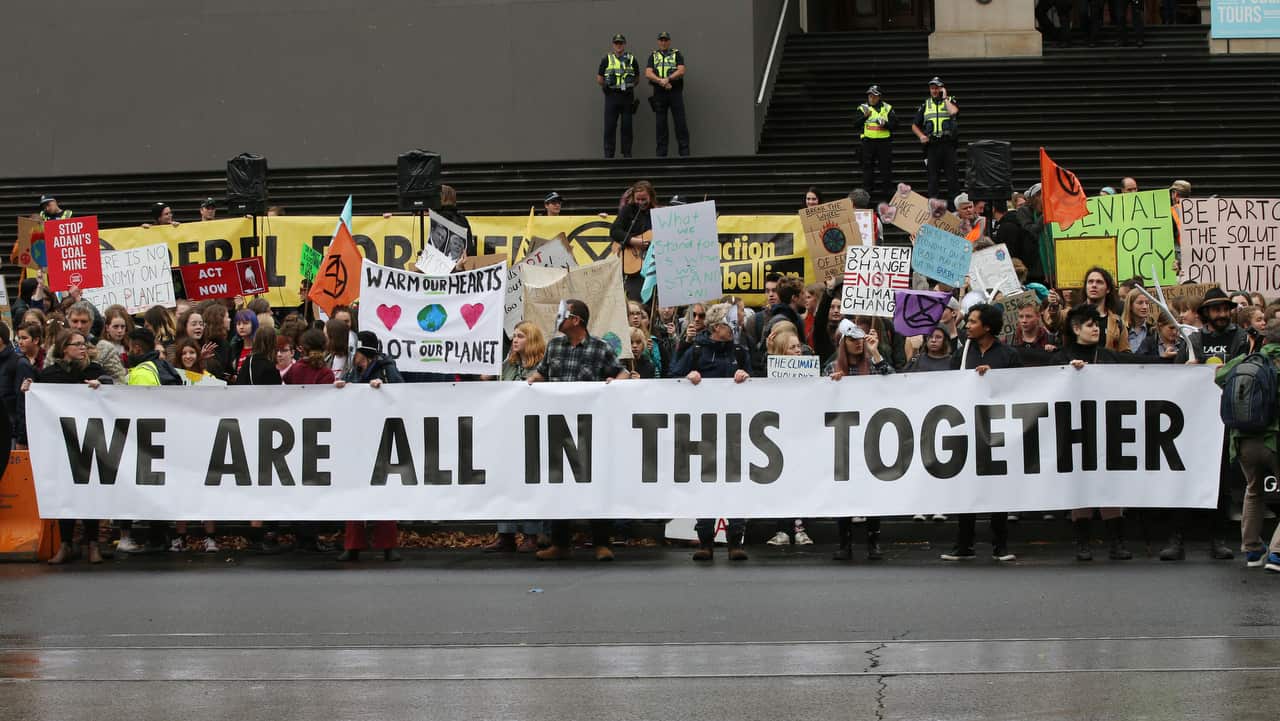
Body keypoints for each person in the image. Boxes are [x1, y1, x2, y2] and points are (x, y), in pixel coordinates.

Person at [528, 299, 630, 561]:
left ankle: (602, 542)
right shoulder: (554, 346)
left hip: (590, 429)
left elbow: (622, 373)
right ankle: (560, 543)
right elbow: (541, 374)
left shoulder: (600, 348)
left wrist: (615, 383)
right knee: (559, 485)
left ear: (576, 320)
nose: (557, 319)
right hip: (558, 428)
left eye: (562, 315)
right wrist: (528, 383)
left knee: (595, 483)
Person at [1054, 304, 1144, 561]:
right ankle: (1082, 543)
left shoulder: (1108, 356)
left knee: (1110, 485)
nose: (1096, 329)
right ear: (1076, 329)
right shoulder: (1062, 357)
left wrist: (1179, 362)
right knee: (1080, 486)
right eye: (1091, 325)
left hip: (1107, 428)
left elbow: (1139, 368)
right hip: (1074, 432)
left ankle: (1116, 542)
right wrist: (1068, 373)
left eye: (1097, 324)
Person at [1165, 287, 1247, 561]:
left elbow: (1239, 367)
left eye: (1225, 309)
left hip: (1225, 420)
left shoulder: (1240, 338)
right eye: (1216, 309)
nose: (1222, 314)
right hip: (1195, 420)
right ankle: (1176, 539)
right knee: (1183, 478)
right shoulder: (1195, 339)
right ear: (1205, 314)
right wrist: (1188, 366)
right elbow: (1178, 375)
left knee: (1220, 482)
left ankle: (1218, 539)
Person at [23, 330, 112, 564]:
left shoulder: (93, 370)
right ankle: (66, 543)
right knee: (66, 492)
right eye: (77, 344)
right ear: (65, 348)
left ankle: (92, 543)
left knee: (89, 492)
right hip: (62, 442)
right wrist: (30, 387)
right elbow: (38, 394)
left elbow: (112, 385)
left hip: (90, 441)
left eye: (85, 344)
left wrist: (101, 384)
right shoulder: (51, 374)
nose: (83, 348)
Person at [669, 304, 750, 561]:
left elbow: (758, 377)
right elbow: (673, 375)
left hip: (734, 427)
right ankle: (705, 539)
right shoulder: (696, 350)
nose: (735, 328)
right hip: (702, 428)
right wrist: (688, 376)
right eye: (730, 323)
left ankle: (735, 540)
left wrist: (746, 375)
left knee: (735, 482)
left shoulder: (740, 350)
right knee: (705, 481)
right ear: (717, 328)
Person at [944, 303, 1021, 562]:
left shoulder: (1008, 355)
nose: (968, 325)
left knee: (997, 488)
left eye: (973, 322)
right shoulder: (962, 354)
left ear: (987, 327)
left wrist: (993, 378)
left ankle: (1000, 545)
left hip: (997, 430)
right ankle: (964, 544)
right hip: (967, 428)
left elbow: (1018, 389)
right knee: (967, 488)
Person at [1215, 320, 1280, 572]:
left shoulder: (1248, 360)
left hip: (1242, 441)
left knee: (1254, 491)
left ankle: (1252, 549)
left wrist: (1251, 351)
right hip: (1274, 439)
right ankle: (1277, 553)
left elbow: (1219, 376)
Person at [825, 320, 892, 561]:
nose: (858, 344)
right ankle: (845, 543)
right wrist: (831, 385)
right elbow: (820, 400)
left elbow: (893, 381)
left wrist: (875, 352)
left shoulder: (872, 366)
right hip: (843, 439)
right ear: (843, 343)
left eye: (860, 339)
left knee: (872, 492)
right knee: (843, 493)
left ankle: (874, 542)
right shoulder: (832, 367)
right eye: (852, 340)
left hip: (870, 436)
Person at [335, 331, 404, 562]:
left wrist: (384, 388)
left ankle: (388, 545)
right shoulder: (353, 372)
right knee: (353, 490)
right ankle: (353, 545)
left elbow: (401, 393)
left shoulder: (387, 368)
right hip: (357, 437)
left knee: (384, 491)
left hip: (382, 436)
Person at [484, 321, 549, 553]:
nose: (515, 340)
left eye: (520, 336)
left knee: (528, 483)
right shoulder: (508, 364)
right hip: (506, 430)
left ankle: (531, 534)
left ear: (531, 340)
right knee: (505, 482)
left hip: (532, 429)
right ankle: (506, 533)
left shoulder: (543, 365)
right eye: (514, 336)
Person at [911, 77, 960, 206]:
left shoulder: (950, 101)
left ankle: (954, 209)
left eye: (937, 88)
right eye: (932, 88)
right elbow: (914, 125)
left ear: (942, 89)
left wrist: (945, 98)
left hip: (948, 144)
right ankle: (934, 208)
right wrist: (921, 136)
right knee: (933, 179)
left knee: (952, 179)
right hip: (932, 146)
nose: (934, 90)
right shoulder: (925, 105)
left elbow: (954, 112)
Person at [610, 180, 658, 302]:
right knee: (636, 299)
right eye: (638, 199)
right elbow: (614, 231)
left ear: (651, 197)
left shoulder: (657, 214)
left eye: (644, 199)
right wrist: (634, 241)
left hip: (653, 265)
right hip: (634, 268)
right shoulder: (628, 210)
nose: (641, 203)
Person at [645, 31, 689, 158]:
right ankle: (661, 156)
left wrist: (668, 79)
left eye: (665, 40)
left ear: (669, 41)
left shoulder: (676, 54)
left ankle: (685, 155)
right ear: (658, 42)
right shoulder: (653, 56)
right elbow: (648, 73)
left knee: (680, 124)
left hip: (675, 92)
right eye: (661, 40)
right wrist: (661, 81)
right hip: (659, 93)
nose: (663, 42)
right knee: (661, 125)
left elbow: (681, 71)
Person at [597, 33, 640, 159]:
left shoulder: (632, 59)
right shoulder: (606, 59)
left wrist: (628, 86)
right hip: (612, 96)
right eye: (616, 43)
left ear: (624, 44)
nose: (619, 45)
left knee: (627, 127)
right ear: (613, 45)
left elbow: (637, 78)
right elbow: (599, 78)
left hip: (627, 97)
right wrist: (607, 86)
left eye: (621, 43)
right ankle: (609, 155)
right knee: (610, 127)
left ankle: (627, 154)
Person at [996, 183, 1048, 283]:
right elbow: (1031, 230)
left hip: (1050, 269)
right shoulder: (1024, 212)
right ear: (1036, 197)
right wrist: (1045, 215)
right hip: (1034, 270)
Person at [858, 85, 896, 203]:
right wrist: (864, 117)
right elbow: (854, 124)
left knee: (886, 169)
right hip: (868, 143)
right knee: (867, 169)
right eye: (870, 96)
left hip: (884, 143)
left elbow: (895, 125)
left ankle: (888, 195)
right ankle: (867, 195)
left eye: (874, 96)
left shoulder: (887, 108)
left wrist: (885, 124)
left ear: (879, 96)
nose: (871, 98)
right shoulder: (863, 108)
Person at [1081, 267, 1128, 352]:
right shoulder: (1073, 316)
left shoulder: (1118, 323)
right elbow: (1055, 320)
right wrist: (1054, 306)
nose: (1094, 285)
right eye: (1090, 281)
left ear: (1108, 289)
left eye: (1099, 282)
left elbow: (1125, 353)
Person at [1121, 287, 1160, 356]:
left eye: (1147, 303)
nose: (1145, 307)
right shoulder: (1120, 328)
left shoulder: (1154, 329)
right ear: (1130, 306)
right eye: (1140, 303)